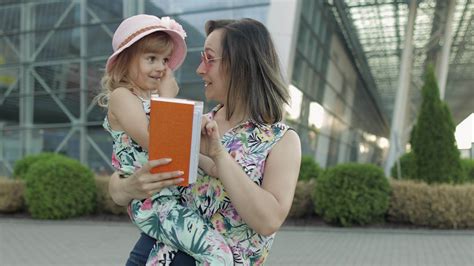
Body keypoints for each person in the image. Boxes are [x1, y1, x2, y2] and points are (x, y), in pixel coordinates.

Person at [109, 18, 302, 265]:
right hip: (154, 256)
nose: (200, 69)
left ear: (241, 64)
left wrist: (219, 157)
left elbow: (268, 221)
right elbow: (131, 165)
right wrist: (124, 188)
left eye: (209, 58)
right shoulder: (195, 121)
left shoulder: (281, 140)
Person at [98, 14, 233, 266]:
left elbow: (180, 149)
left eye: (164, 60)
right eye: (151, 58)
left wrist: (213, 162)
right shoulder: (122, 96)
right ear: (125, 61)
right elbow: (156, 143)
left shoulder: (152, 102)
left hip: (170, 200)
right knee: (219, 255)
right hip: (152, 203)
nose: (161, 67)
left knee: (171, 254)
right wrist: (168, 99)